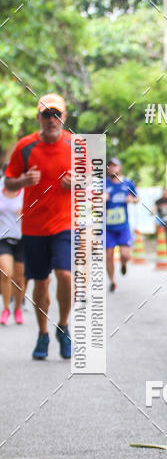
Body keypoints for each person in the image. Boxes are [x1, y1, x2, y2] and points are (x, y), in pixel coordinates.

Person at [4, 94, 73, 359]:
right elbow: (8, 184)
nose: (52, 120)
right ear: (38, 118)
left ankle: (63, 327)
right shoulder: (25, 146)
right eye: (47, 114)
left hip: (64, 223)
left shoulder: (76, 146)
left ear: (64, 117)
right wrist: (22, 181)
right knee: (41, 282)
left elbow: (90, 180)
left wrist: (77, 182)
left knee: (65, 275)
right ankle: (43, 333)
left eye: (57, 115)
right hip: (33, 226)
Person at [105, 157, 139, 292]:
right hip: (108, 227)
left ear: (120, 168)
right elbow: (93, 197)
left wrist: (132, 199)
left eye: (115, 166)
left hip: (123, 226)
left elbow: (137, 197)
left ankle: (123, 264)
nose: (112, 168)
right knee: (108, 255)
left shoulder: (128, 183)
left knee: (125, 255)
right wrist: (101, 198)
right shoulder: (103, 184)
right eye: (110, 166)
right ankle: (112, 281)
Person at [0, 165, 26, 325]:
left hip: (22, 238)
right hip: (3, 237)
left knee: (19, 278)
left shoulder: (26, 191)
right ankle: (5, 309)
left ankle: (17, 308)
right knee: (5, 272)